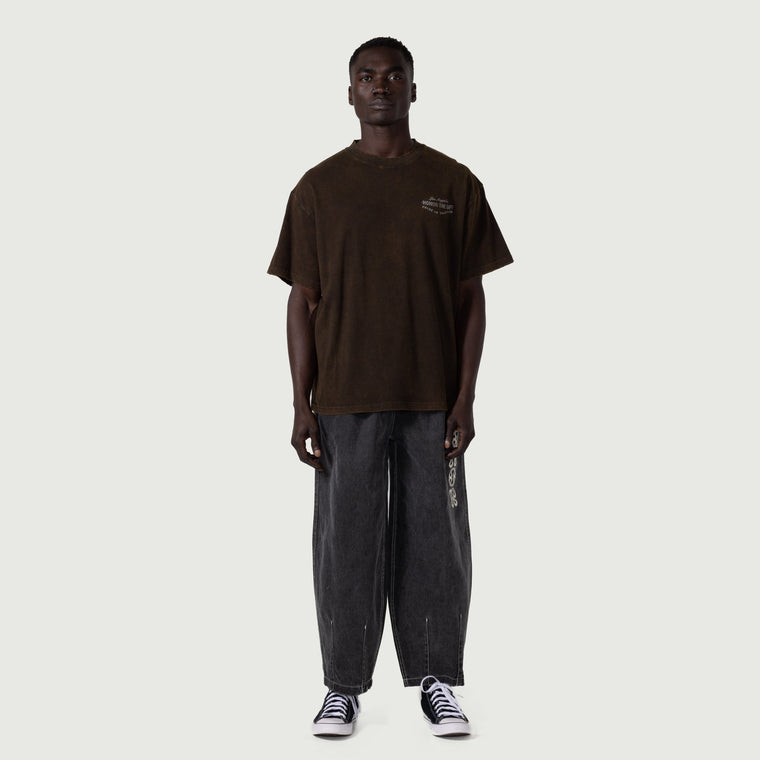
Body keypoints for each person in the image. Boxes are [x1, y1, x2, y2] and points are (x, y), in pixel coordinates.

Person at [267, 36, 513, 737]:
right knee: (346, 541)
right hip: (344, 396)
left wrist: (465, 398)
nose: (380, 86)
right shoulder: (318, 189)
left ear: (413, 89)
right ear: (350, 93)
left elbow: (471, 298)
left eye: (394, 75)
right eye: (367, 76)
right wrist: (300, 403)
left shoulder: (453, 183)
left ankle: (437, 680)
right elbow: (301, 300)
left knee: (437, 540)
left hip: (431, 397)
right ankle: (341, 686)